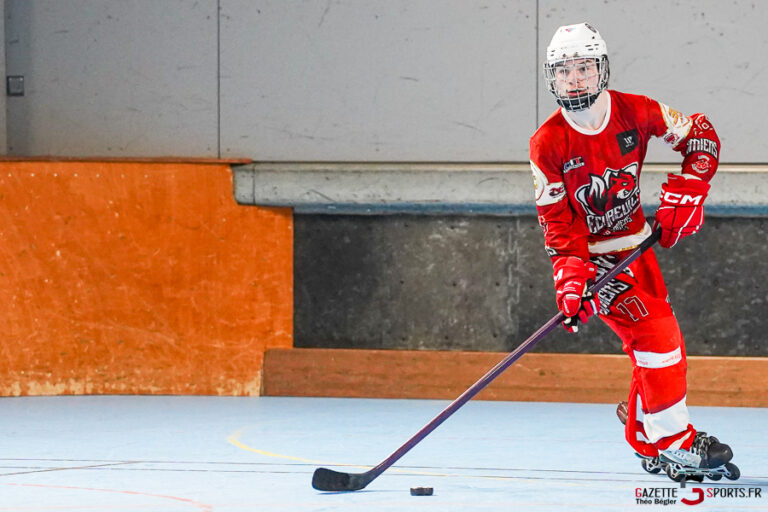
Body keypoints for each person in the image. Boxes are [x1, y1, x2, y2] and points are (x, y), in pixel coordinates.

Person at [529, 22, 738, 481]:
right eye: (565, 71)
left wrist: (690, 189)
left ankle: (644, 432)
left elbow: (699, 135)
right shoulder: (547, 143)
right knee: (658, 337)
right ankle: (675, 442)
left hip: (638, 249)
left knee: (655, 346)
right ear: (552, 78)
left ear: (601, 70)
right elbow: (558, 222)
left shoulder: (637, 111)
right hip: (596, 263)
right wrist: (570, 278)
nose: (576, 79)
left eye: (584, 68)